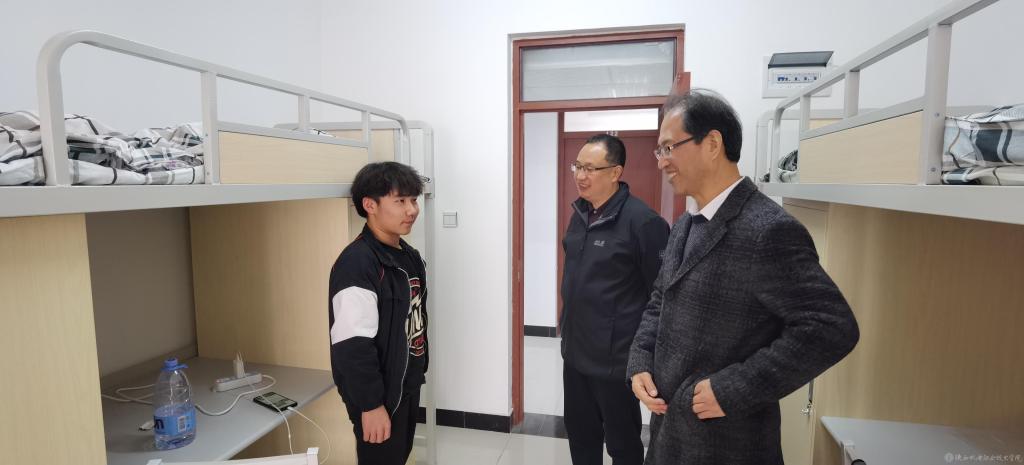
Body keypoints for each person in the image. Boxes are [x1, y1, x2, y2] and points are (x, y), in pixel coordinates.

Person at [627, 90, 860, 465]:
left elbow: (831, 327)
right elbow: (660, 298)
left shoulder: (767, 229)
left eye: (669, 148)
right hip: (669, 433)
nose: (662, 161)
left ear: (712, 144)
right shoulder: (686, 224)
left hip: (727, 443)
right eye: (660, 151)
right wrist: (640, 359)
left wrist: (733, 388)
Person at [561, 134, 670, 465]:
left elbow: (662, 295)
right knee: (581, 438)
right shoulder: (580, 213)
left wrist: (646, 357)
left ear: (615, 172)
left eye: (590, 168)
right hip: (576, 352)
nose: (581, 175)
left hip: (616, 359)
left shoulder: (644, 222)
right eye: (577, 166)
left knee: (622, 444)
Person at [328, 161, 427, 465]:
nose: (412, 210)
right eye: (400, 201)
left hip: (405, 385)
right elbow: (352, 345)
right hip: (379, 396)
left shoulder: (407, 255)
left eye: (413, 200)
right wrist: (370, 405)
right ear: (369, 205)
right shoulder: (357, 264)